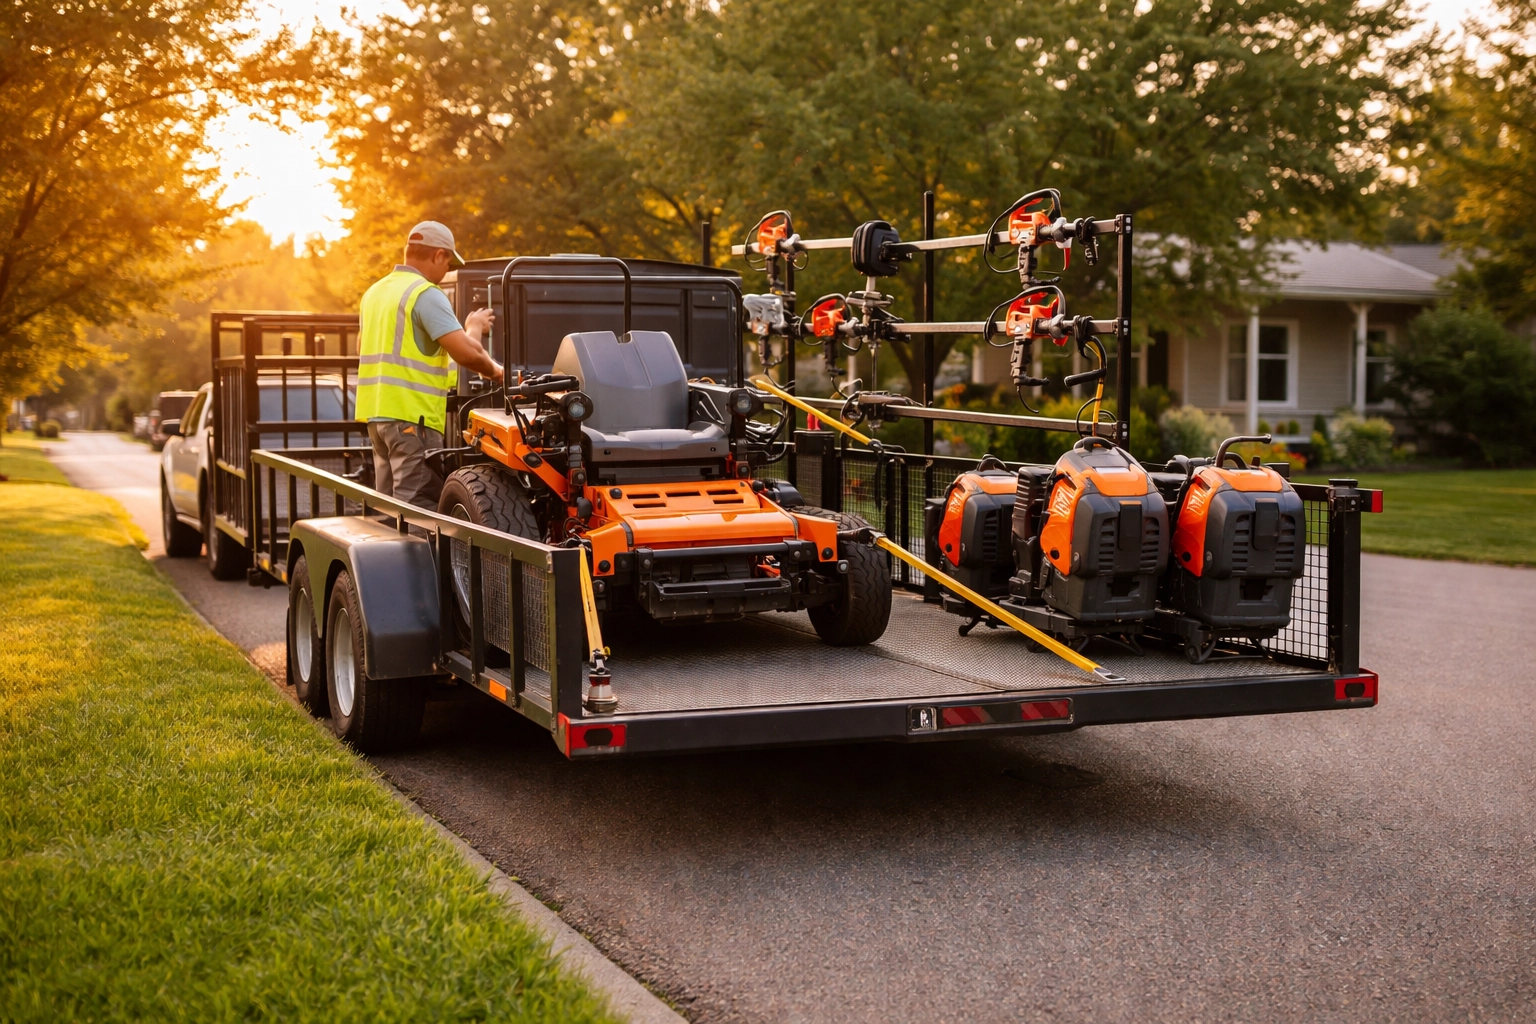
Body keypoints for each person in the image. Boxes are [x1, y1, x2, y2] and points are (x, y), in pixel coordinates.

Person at [355, 221, 503, 508]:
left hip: (378, 417)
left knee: (388, 508)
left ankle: (387, 554)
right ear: (437, 255)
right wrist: (497, 372)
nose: (447, 269)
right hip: (412, 419)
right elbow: (466, 355)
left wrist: (471, 330)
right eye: (448, 260)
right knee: (416, 507)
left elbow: (363, 348)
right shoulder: (425, 294)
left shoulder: (375, 292)